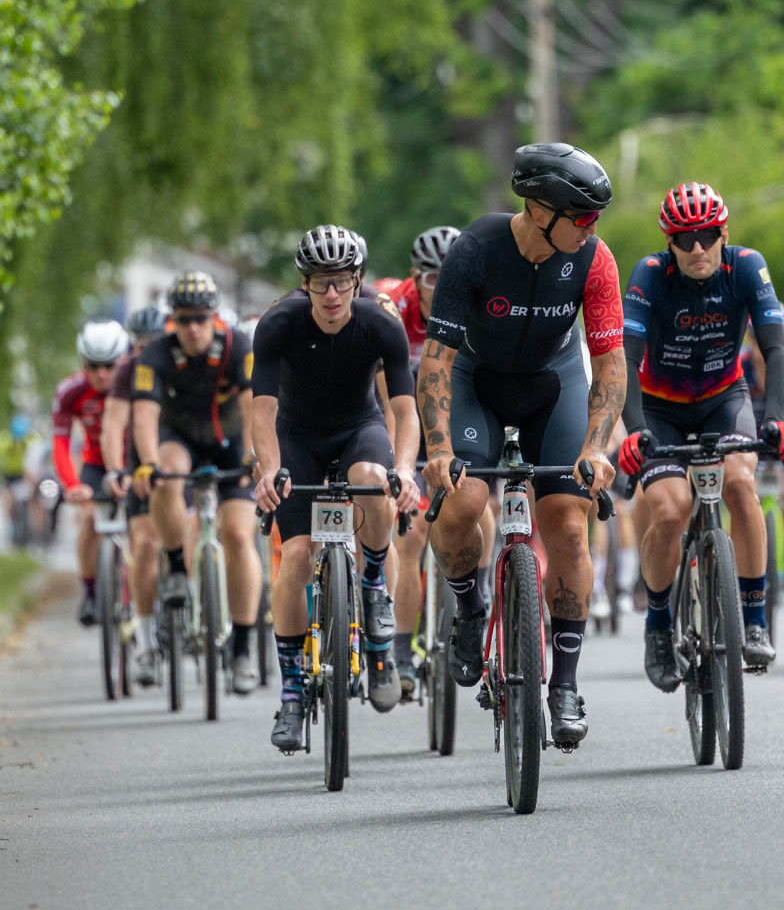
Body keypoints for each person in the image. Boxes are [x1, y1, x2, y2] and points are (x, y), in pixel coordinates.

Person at [416, 143, 625, 750]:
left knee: (569, 524)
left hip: (552, 383)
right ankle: (468, 605)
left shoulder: (594, 259)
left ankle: (565, 686)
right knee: (460, 503)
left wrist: (596, 447)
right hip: (475, 382)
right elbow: (437, 360)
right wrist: (438, 449)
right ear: (539, 210)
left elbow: (610, 363)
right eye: (581, 216)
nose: (591, 229)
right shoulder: (475, 250)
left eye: (596, 217)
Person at [615, 183, 784, 690]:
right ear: (669, 243)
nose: (696, 247)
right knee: (671, 510)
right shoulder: (649, 275)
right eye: (684, 239)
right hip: (659, 407)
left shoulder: (746, 266)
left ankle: (754, 618)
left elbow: (775, 350)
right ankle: (658, 626)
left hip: (724, 398)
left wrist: (778, 419)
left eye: (707, 236)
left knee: (741, 484)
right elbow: (626, 359)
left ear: (724, 234)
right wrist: (635, 430)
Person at [252, 226, 423, 750]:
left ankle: (372, 587)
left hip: (357, 429)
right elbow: (263, 411)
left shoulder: (381, 322)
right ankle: (291, 694)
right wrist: (269, 470)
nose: (331, 293)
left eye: (342, 281)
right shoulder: (278, 323)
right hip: (297, 436)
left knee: (373, 481)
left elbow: (404, 411)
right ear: (304, 283)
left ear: (358, 279)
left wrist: (405, 469)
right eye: (320, 282)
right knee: (297, 556)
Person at [129, 271, 263, 690]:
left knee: (238, 535)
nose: (193, 328)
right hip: (180, 439)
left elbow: (254, 405)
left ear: (214, 317)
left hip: (230, 443)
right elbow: (145, 415)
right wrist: (148, 463)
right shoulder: (155, 354)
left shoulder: (239, 347)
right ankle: (174, 563)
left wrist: (255, 454)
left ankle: (242, 650)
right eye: (184, 320)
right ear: (173, 320)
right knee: (166, 474)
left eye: (201, 319)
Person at [374, 224, 463, 698]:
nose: (442, 289)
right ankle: (403, 650)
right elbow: (392, 407)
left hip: (454, 421)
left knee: (479, 509)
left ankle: (476, 597)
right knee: (410, 538)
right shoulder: (393, 308)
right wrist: (399, 469)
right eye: (432, 280)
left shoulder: (473, 306)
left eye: (451, 278)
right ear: (415, 278)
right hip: (401, 419)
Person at [99, 302, 170, 685]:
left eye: (153, 340)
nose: (147, 348)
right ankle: (145, 643)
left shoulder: (182, 360)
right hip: (142, 463)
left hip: (183, 459)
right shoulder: (128, 370)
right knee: (144, 545)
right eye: (140, 342)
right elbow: (113, 425)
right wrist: (115, 469)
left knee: (193, 529)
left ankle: (200, 601)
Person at [52, 320, 131, 627]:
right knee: (88, 519)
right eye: (93, 366)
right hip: (96, 464)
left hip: (134, 461)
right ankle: (90, 592)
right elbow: (60, 442)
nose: (102, 375)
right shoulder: (70, 391)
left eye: (110, 366)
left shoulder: (138, 382)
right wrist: (72, 484)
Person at [742, 303, 784, 595]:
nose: (762, 344)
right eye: (756, 337)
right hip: (747, 445)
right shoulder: (738, 365)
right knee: (739, 494)